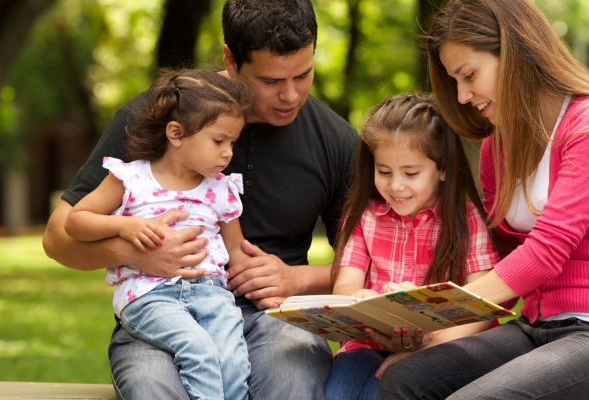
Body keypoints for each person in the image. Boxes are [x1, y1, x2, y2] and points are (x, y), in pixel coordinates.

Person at [42, 0, 359, 398]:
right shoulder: (158, 117)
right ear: (230, 58)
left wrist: (298, 278)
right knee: (153, 387)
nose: (290, 95)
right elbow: (57, 239)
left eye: (304, 74)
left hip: (276, 317)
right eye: (270, 81)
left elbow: (373, 263)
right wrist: (133, 251)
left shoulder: (337, 142)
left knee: (292, 384)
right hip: (163, 310)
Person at [378, 0, 589, 399]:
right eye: (455, 82)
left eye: (469, 75)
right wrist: (440, 334)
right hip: (539, 327)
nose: (463, 95)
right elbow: (506, 267)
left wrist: (440, 311)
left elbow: (545, 253)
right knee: (407, 378)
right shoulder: (495, 150)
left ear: (515, 51)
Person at [64, 69, 253, 400]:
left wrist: (272, 285)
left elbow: (236, 254)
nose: (228, 153)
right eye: (219, 141)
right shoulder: (132, 178)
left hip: (212, 296)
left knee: (234, 362)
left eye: (232, 142)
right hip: (150, 296)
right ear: (176, 134)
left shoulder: (221, 190)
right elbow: (75, 221)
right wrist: (124, 225)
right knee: (200, 353)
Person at [323, 93, 500, 400]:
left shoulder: (466, 219)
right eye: (384, 172)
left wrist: (428, 348)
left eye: (411, 173)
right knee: (338, 394)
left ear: (442, 168)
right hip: (365, 344)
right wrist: (362, 297)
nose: (396, 186)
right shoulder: (363, 216)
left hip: (441, 345)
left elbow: (481, 308)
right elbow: (345, 286)